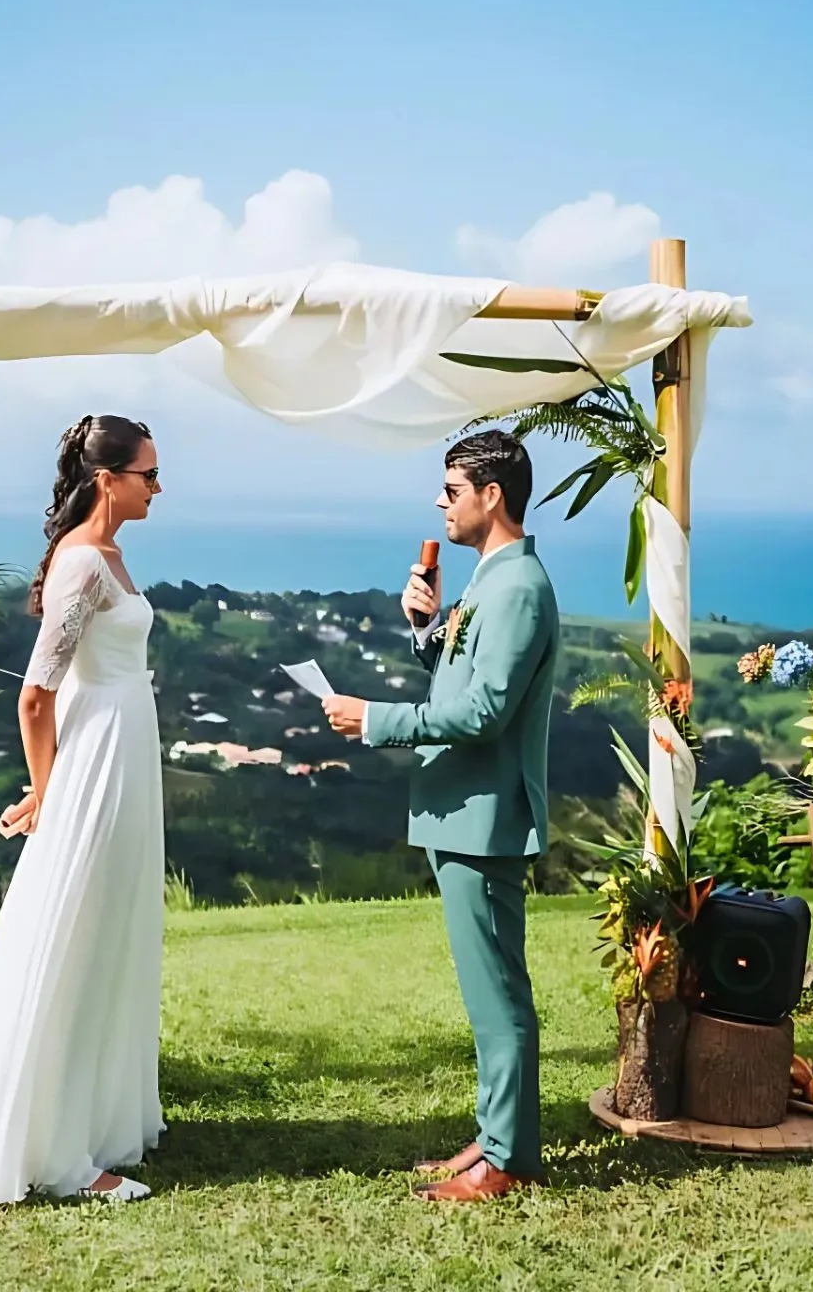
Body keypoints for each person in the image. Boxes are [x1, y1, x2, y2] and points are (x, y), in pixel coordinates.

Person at [0, 415, 165, 1207]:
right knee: (71, 937)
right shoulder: (82, 564)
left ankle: (94, 1120)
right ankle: (53, 1150)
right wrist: (49, 791)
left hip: (119, 756)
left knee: (110, 934)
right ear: (109, 478)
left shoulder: (107, 557)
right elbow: (35, 694)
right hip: (94, 765)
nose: (157, 489)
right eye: (148, 474)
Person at [323, 429, 557, 1204]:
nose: (440, 502)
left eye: (451, 489)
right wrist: (427, 630)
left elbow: (485, 711)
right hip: (461, 814)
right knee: (487, 990)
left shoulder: (518, 588)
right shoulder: (492, 582)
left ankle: (510, 1157)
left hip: (483, 818)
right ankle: (495, 1138)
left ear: (492, 495)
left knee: (498, 995)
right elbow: (463, 683)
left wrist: (376, 719)